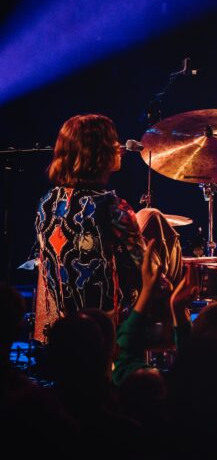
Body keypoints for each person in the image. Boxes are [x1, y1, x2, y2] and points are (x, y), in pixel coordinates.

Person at [34, 113, 181, 343]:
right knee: (154, 224)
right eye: (112, 141)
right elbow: (152, 276)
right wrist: (172, 284)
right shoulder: (113, 208)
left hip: (64, 326)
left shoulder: (46, 203)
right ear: (99, 153)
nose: (118, 146)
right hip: (108, 327)